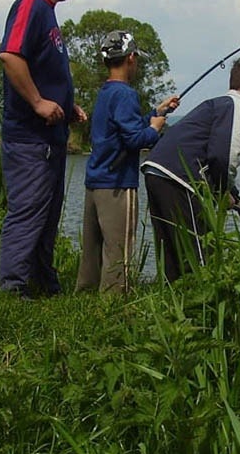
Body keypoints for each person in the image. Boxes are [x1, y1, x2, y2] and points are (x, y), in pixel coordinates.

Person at [0, 0, 88, 299]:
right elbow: (10, 55)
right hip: (29, 138)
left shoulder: (47, 12)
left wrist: (68, 104)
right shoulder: (29, 6)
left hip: (50, 137)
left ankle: (43, 282)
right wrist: (37, 102)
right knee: (28, 211)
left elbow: (42, 67)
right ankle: (12, 290)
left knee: (48, 213)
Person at [142, 57, 240, 283]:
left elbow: (212, 157)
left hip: (155, 169)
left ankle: (171, 305)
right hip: (180, 176)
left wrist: (235, 199)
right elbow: (224, 154)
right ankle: (201, 305)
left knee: (170, 250)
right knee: (198, 250)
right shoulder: (238, 106)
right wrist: (220, 192)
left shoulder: (217, 104)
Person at [76, 30, 180, 293]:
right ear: (131, 58)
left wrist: (156, 113)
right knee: (119, 249)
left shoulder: (107, 92)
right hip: (118, 185)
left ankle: (85, 295)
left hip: (96, 181)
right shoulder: (126, 94)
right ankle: (113, 307)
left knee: (93, 249)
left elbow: (123, 129)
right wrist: (155, 129)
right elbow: (136, 140)